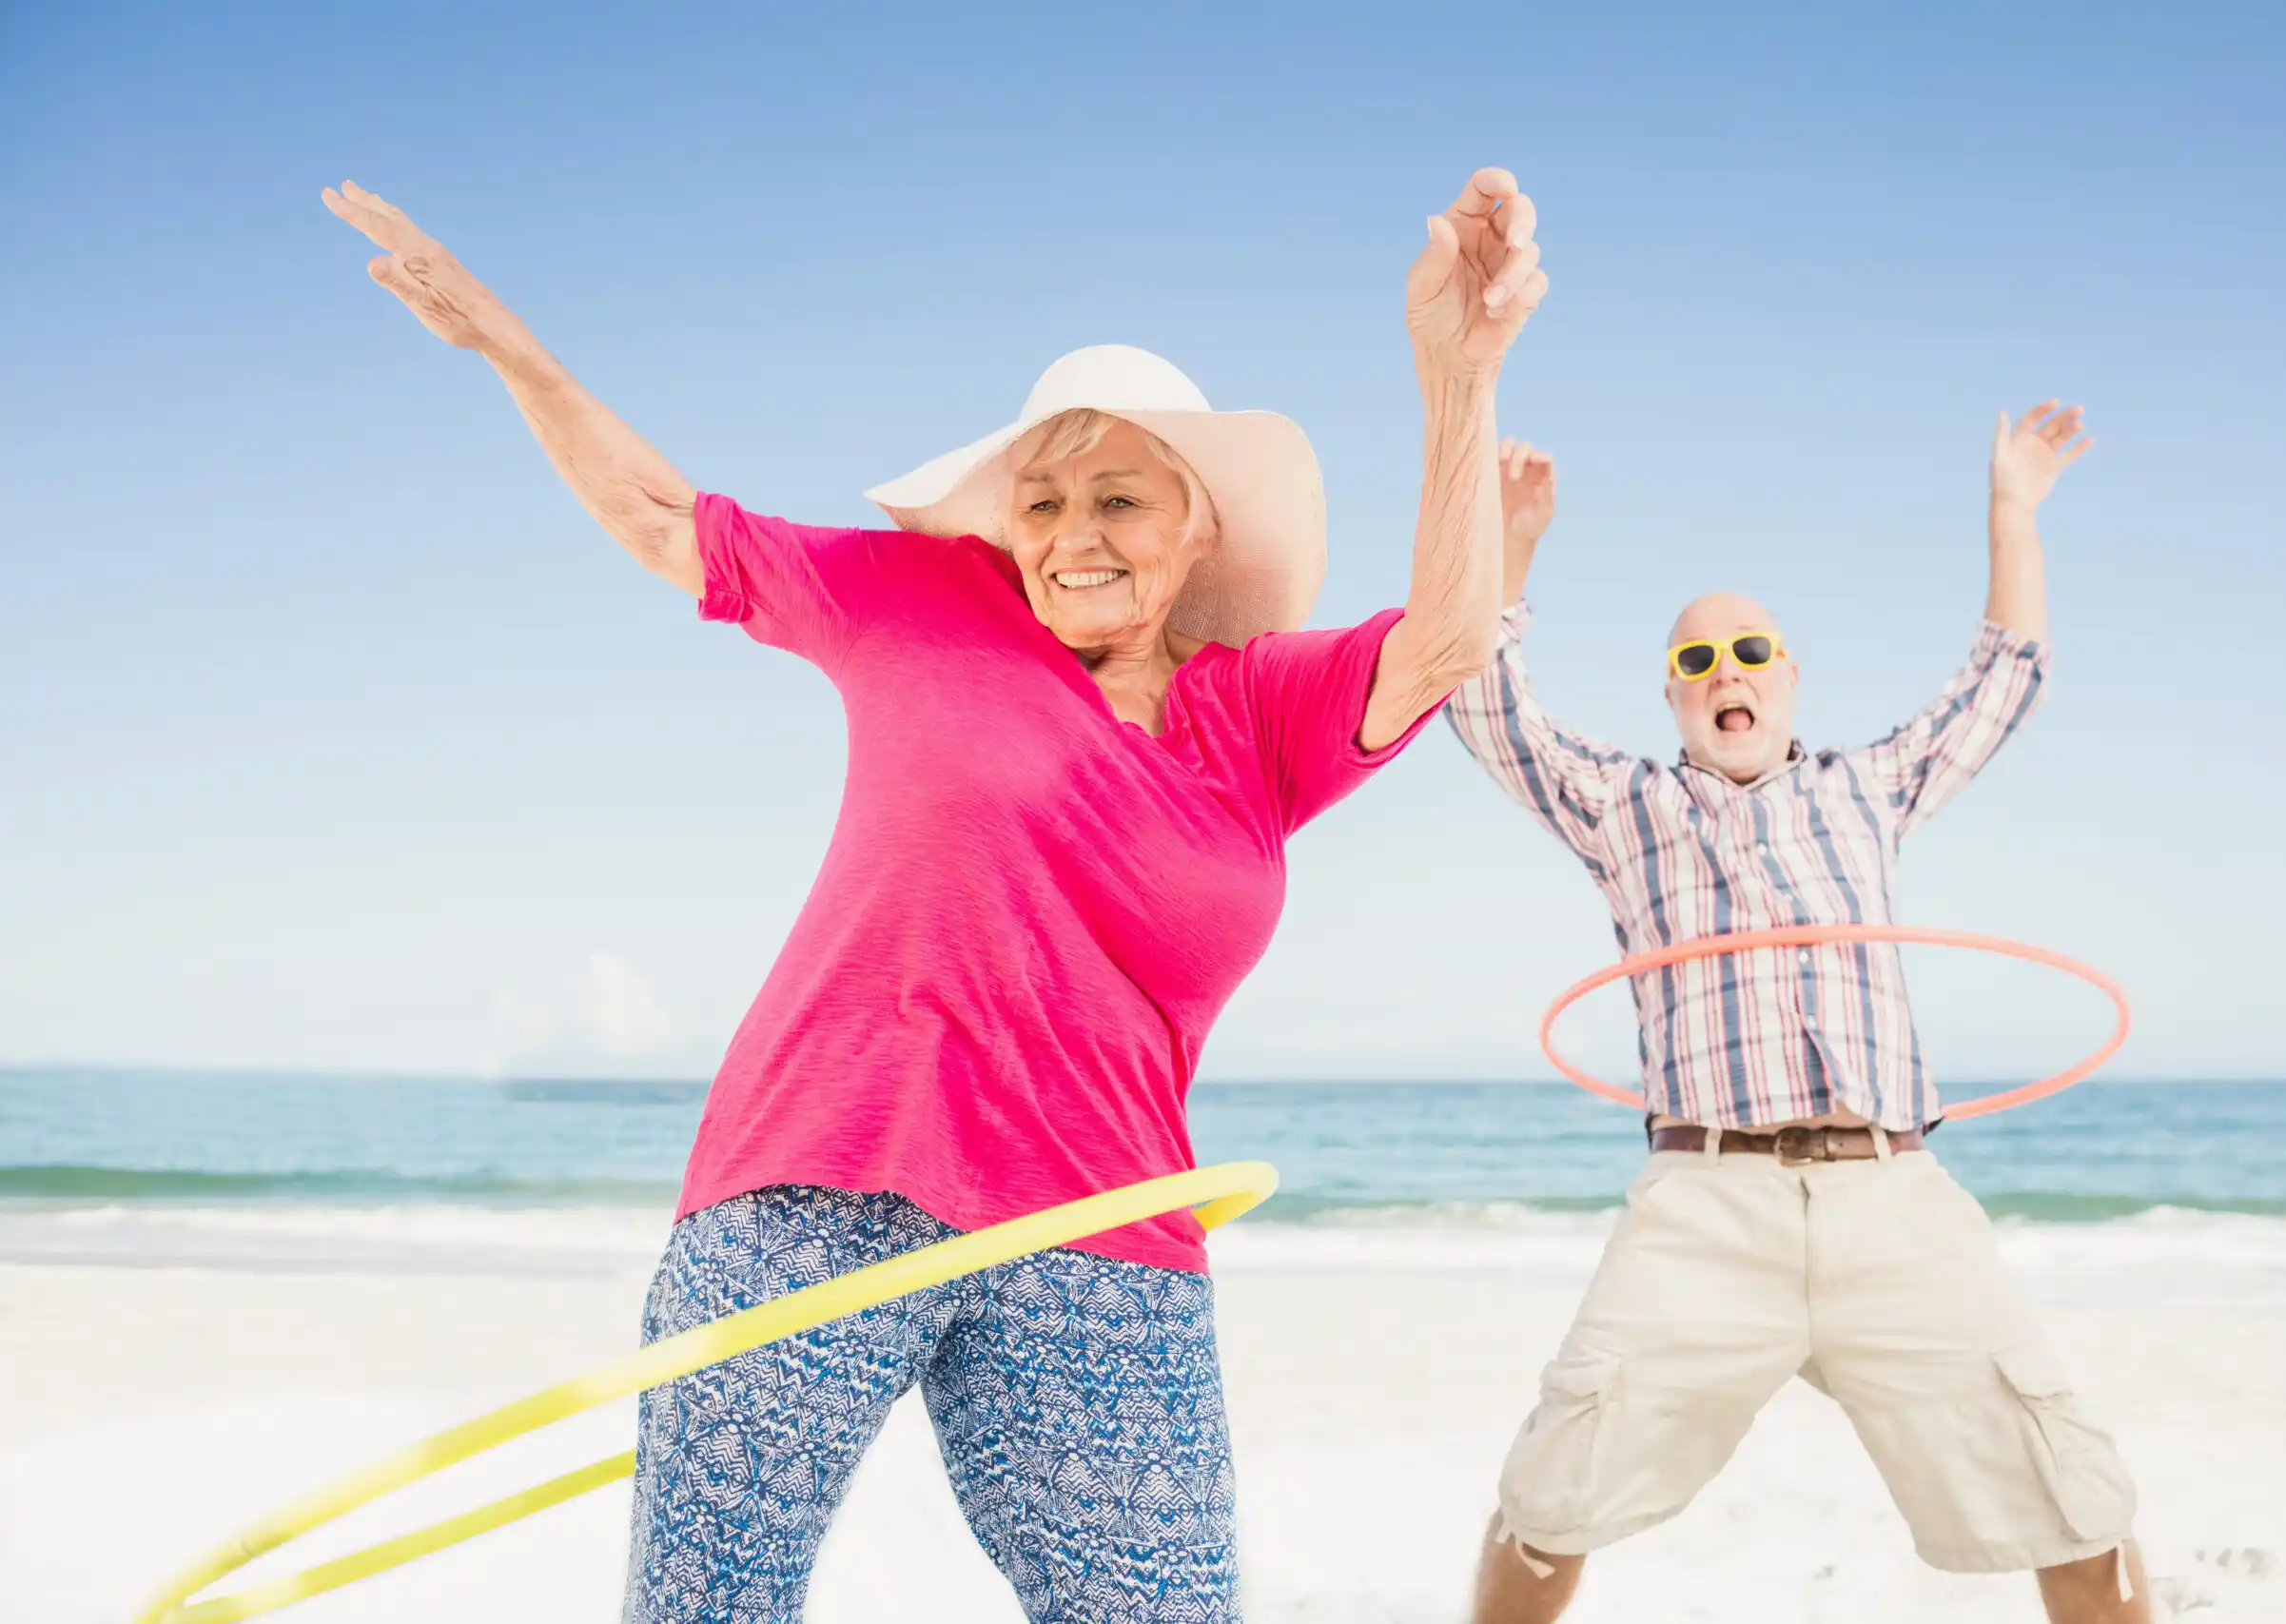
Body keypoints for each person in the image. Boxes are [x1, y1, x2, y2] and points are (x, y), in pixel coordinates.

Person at [322, 169, 1546, 1623]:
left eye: (1117, 498)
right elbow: (666, 519)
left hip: (1107, 1235)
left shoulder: (1261, 711)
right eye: (1041, 499)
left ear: (1200, 529)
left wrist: (1457, 372)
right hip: (817, 1191)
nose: (1073, 532)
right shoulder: (926, 602)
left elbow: (1451, 634)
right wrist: (507, 346)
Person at [1446, 414, 2152, 1623]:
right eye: (1697, 659)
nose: (1726, 670)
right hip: (1705, 1207)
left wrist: (2013, 512)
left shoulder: (1867, 789)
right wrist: (1511, 553)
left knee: (2075, 1504)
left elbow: (2003, 679)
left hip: (1892, 1195)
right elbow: (1482, 708)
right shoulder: (1628, 811)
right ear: (1673, 696)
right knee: (1547, 1502)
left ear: (1787, 677)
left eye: (1749, 649)